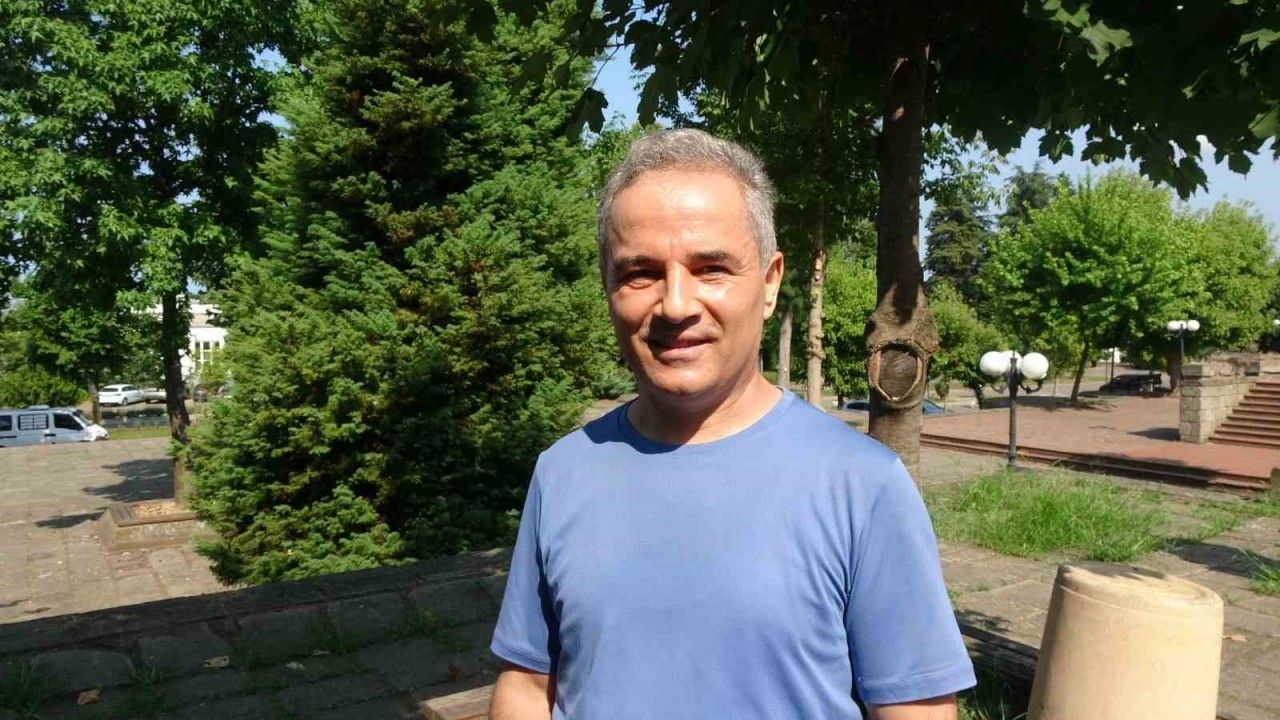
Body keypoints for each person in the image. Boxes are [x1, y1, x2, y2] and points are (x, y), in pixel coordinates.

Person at [489, 129, 975, 719]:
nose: (675, 304)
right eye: (640, 272)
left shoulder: (862, 486)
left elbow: (916, 710)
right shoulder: (563, 472)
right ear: (608, 288)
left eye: (711, 268)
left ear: (769, 283)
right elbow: (525, 684)